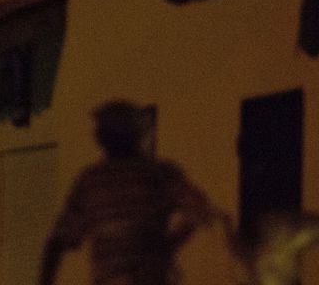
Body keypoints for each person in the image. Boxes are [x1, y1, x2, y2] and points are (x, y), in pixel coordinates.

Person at [39, 100, 218, 285]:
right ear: (139, 134)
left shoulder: (91, 182)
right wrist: (167, 245)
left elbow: (57, 242)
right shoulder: (159, 174)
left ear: (101, 137)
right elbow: (199, 209)